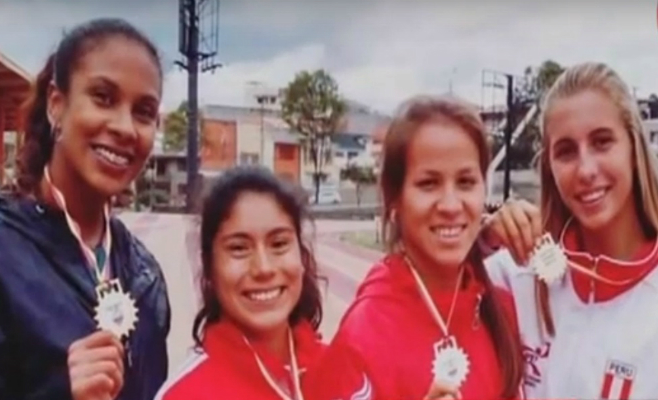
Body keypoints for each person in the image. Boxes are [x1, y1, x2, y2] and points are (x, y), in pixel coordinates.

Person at [0, 18, 170, 400]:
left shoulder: (145, 276)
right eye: (103, 97)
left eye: (143, 111)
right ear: (56, 104)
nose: (125, 127)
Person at [307, 96, 524, 400]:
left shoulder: (502, 309)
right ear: (395, 199)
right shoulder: (366, 335)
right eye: (428, 184)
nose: (451, 205)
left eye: (465, 182)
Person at [483, 62, 658, 399]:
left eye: (602, 142)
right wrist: (481, 238)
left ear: (634, 148)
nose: (586, 170)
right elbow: (418, 294)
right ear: (549, 166)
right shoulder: (518, 272)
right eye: (565, 152)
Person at [154, 166, 325, 400]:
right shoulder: (184, 394)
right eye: (239, 248)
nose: (263, 268)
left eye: (279, 244)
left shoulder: (344, 374)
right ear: (210, 267)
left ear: (302, 256)